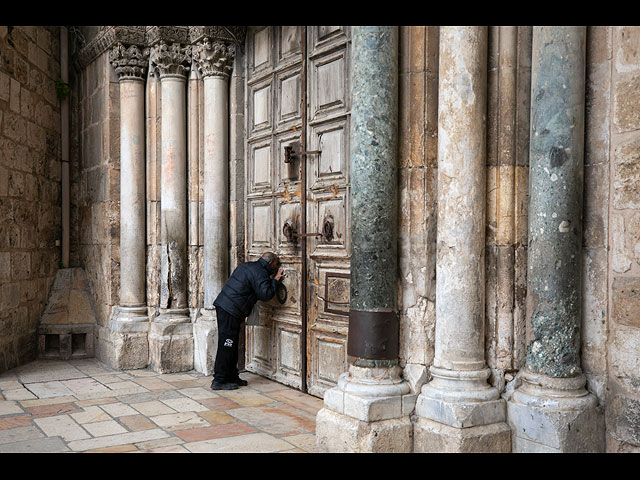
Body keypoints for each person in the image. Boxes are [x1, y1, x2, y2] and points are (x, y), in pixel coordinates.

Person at [210, 251, 285, 390]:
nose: (277, 266)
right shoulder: (260, 272)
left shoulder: (248, 266)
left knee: (231, 344)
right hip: (230, 310)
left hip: (227, 307)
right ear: (270, 263)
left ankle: (232, 376)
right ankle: (219, 380)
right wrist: (275, 280)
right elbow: (266, 294)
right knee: (227, 344)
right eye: (276, 263)